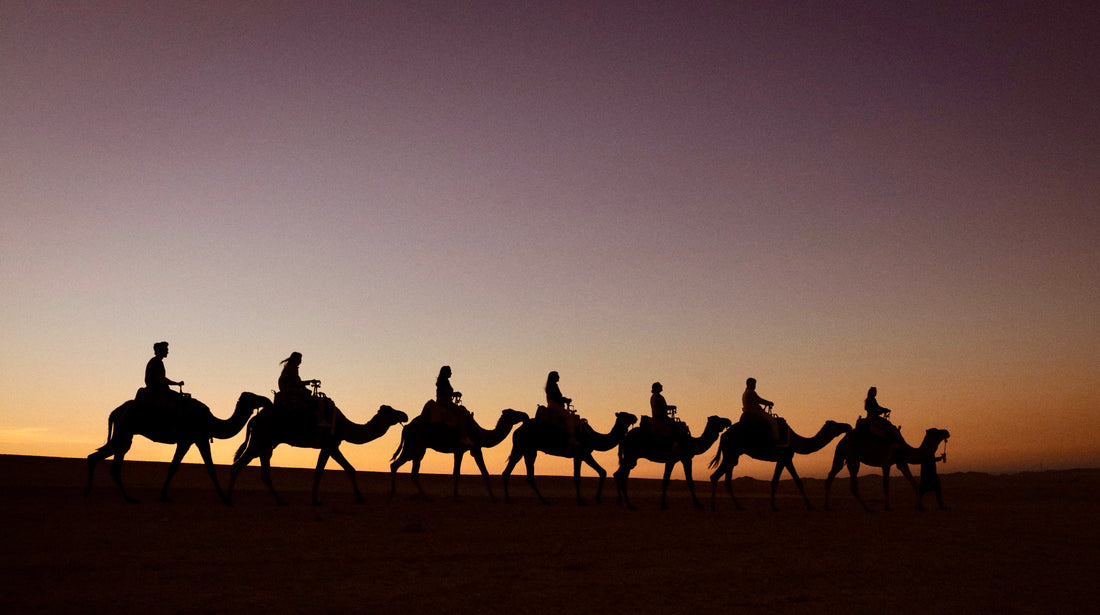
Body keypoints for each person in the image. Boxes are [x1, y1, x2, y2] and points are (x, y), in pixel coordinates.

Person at [278, 352, 328, 428]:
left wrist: (309, 382)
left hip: (288, 390)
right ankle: (320, 420)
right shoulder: (292, 369)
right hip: (290, 391)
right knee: (315, 401)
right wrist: (306, 388)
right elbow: (297, 383)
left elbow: (297, 382)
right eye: (300, 359)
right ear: (296, 360)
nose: (301, 361)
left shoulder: (289, 368)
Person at [435, 366, 473, 446]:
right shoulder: (444, 381)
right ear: (446, 372)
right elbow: (446, 393)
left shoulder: (444, 381)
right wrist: (455, 394)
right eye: (449, 371)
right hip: (444, 402)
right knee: (462, 413)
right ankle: (463, 436)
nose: (451, 373)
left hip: (444, 401)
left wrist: (454, 394)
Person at [742, 377, 785, 446]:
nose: (754, 386)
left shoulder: (745, 393)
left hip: (749, 411)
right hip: (754, 412)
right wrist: (769, 403)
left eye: (754, 384)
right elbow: (759, 400)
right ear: (748, 384)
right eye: (753, 384)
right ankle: (776, 439)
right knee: (773, 421)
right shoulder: (750, 392)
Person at [143, 341, 184, 409]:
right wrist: (176, 383)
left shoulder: (156, 361)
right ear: (161, 350)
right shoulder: (156, 362)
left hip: (157, 388)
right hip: (157, 389)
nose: (167, 352)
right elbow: (161, 379)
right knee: (180, 400)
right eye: (166, 350)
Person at [545, 371, 579, 446]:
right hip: (554, 405)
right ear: (554, 377)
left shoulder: (551, 386)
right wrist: (566, 400)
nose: (559, 377)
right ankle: (571, 438)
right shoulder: (553, 386)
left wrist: (564, 400)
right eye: (557, 375)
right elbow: (558, 398)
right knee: (570, 417)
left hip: (552, 405)